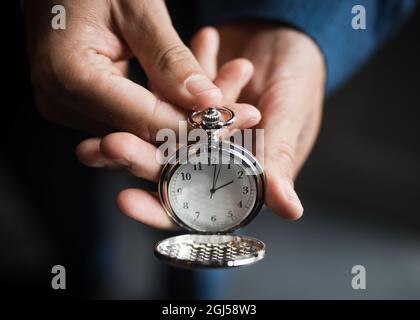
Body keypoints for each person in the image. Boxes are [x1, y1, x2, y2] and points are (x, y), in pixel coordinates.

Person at [24, 0, 416, 297]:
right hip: (42, 44)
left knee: (204, 254)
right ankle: (82, 275)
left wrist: (293, 29)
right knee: (61, 193)